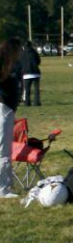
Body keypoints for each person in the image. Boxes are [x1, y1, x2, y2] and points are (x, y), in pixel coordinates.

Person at [0, 38, 23, 199]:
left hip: (9, 109)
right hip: (3, 108)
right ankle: (3, 189)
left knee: (4, 149)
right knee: (3, 150)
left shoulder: (15, 66)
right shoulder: (4, 66)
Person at [19, 40, 42, 106]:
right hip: (35, 73)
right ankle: (36, 102)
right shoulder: (34, 52)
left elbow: (20, 63)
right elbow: (38, 61)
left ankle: (27, 102)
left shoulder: (21, 53)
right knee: (36, 89)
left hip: (26, 74)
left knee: (27, 89)